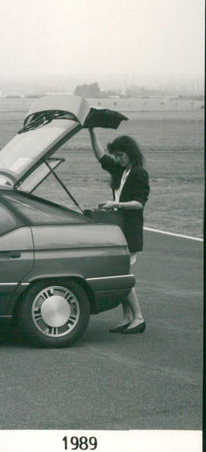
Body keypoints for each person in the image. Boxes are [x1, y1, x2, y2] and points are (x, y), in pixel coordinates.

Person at [89, 129, 150, 334]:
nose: (117, 158)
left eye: (120, 155)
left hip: (130, 230)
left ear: (130, 153)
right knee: (120, 273)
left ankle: (138, 317)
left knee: (121, 274)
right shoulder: (119, 170)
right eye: (116, 155)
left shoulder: (139, 173)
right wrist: (91, 130)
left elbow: (139, 204)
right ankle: (127, 318)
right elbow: (100, 155)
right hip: (119, 228)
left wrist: (115, 204)